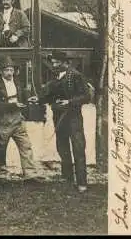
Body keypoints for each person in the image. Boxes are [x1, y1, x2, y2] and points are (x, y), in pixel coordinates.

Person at [28, 51, 92, 193]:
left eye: (58, 62)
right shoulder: (56, 77)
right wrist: (39, 99)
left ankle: (82, 182)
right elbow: (51, 95)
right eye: (54, 62)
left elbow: (87, 96)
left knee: (78, 149)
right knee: (62, 148)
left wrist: (69, 102)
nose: (55, 65)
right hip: (59, 118)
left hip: (73, 118)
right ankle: (67, 178)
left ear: (66, 63)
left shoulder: (75, 76)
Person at [0, 56, 39, 181]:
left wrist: (28, 99)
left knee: (25, 144)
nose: (10, 73)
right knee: (1, 146)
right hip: (3, 119)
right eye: (6, 70)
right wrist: (12, 105)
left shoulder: (17, 81)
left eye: (11, 70)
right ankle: (1, 172)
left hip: (17, 118)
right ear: (1, 71)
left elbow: (21, 96)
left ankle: (30, 173)